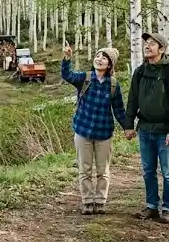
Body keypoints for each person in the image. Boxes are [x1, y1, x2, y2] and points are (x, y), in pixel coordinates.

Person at [61, 44, 132, 215]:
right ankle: (87, 201)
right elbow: (67, 75)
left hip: (104, 133)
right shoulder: (85, 78)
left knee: (103, 170)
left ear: (110, 65)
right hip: (82, 131)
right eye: (98, 55)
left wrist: (127, 128)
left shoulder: (114, 85)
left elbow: (119, 110)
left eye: (104, 58)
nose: (99, 59)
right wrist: (67, 59)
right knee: (84, 169)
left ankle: (100, 201)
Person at [124, 32, 169, 224]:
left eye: (152, 43)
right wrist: (128, 125)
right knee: (148, 170)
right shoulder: (140, 72)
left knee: (168, 172)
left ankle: (167, 208)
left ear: (162, 49)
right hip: (145, 130)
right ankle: (151, 206)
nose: (147, 46)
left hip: (164, 132)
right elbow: (132, 99)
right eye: (146, 43)